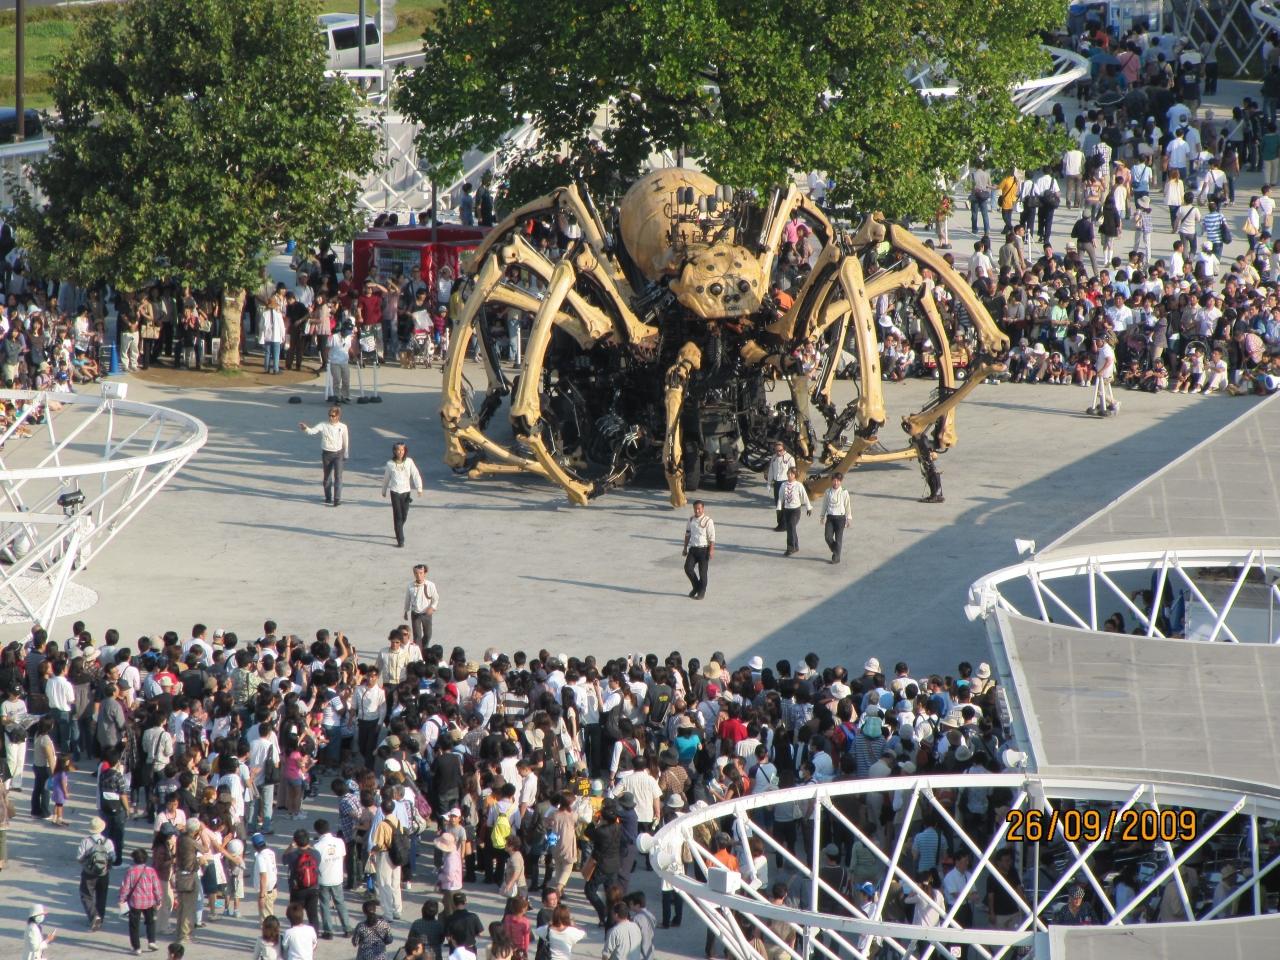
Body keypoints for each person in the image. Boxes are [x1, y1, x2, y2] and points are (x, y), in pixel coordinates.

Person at [299, 406, 350, 507]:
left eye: (333, 416)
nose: (330, 417)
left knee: (338, 477)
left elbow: (346, 440)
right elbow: (312, 431)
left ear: (338, 416)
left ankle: (337, 499)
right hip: (327, 454)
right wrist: (305, 429)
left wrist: (346, 453)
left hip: (338, 454)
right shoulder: (323, 425)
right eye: (329, 415)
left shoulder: (343, 427)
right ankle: (328, 497)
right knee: (327, 477)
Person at [118, 847, 163, 954]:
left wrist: (121, 899)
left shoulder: (131, 871)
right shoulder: (151, 871)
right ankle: (151, 941)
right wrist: (159, 900)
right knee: (150, 922)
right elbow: (156, 887)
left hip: (135, 902)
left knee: (134, 925)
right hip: (149, 901)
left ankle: (137, 947)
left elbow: (126, 887)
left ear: (134, 859)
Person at [313, 818, 352, 940]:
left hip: (323, 879)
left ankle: (328, 931)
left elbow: (315, 864)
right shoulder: (339, 842)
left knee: (324, 905)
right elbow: (343, 857)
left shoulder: (317, 846)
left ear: (317, 831)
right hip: (337, 878)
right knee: (340, 903)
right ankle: (347, 928)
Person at [381, 442, 425, 548]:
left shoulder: (409, 462)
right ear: (394, 451)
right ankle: (400, 540)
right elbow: (386, 478)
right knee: (398, 516)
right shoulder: (390, 464)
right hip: (395, 492)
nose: (400, 452)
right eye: (398, 450)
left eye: (402, 450)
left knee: (404, 515)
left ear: (405, 451)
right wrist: (384, 490)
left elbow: (415, 474)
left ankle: (398, 528)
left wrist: (419, 488)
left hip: (406, 492)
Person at [78, 814, 115, 930]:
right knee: (102, 896)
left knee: (86, 896)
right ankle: (100, 919)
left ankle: (94, 916)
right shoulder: (108, 842)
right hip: (104, 874)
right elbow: (113, 858)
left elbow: (79, 858)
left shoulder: (85, 841)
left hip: (88, 873)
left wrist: (86, 863)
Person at [775, 467, 812, 556]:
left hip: (796, 510)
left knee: (791, 525)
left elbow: (804, 496)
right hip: (786, 510)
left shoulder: (799, 485)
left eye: (791, 474)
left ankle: (790, 548)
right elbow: (780, 498)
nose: (789, 475)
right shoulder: (783, 485)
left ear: (795, 475)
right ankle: (796, 546)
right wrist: (779, 508)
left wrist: (808, 507)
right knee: (790, 528)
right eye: (788, 473)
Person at [681, 500, 715, 599]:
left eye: (699, 509)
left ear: (703, 509)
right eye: (695, 509)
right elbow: (688, 534)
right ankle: (696, 586)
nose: (697, 511)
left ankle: (702, 592)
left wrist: (711, 550)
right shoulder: (691, 520)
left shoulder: (708, 521)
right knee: (688, 568)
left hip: (704, 550)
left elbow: (712, 537)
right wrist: (685, 548)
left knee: (702, 573)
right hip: (693, 549)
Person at [818, 471, 851, 564]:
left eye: (838, 481)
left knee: (838, 539)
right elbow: (824, 504)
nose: (836, 483)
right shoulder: (828, 492)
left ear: (841, 481)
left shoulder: (844, 492)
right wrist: (822, 516)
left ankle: (836, 557)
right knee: (827, 537)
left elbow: (847, 505)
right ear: (832, 481)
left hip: (840, 518)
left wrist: (848, 518)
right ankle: (835, 550)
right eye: (834, 480)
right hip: (830, 518)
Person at [404, 564, 440, 649]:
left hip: (426, 614)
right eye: (416, 573)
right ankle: (418, 652)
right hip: (415, 614)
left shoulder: (430, 585)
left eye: (421, 573)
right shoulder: (410, 586)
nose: (418, 575)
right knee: (417, 636)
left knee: (428, 634)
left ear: (425, 573)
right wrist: (406, 611)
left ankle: (424, 648)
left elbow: (436, 598)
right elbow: (407, 599)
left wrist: (432, 607)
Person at [765, 442, 795, 530]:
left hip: (785, 483)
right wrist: (769, 483)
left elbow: (793, 472)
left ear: (784, 449)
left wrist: (792, 484)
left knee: (785, 505)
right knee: (778, 504)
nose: (778, 452)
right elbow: (771, 471)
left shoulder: (789, 458)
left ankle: (784, 524)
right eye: (776, 450)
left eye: (780, 450)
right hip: (777, 483)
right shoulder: (774, 458)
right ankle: (780, 523)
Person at [1088, 334, 1118, 417]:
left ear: (1103, 341)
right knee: (1101, 391)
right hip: (1103, 374)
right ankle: (1103, 406)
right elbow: (1095, 351)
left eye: (1098, 340)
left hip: (1106, 375)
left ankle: (1114, 403)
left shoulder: (1106, 350)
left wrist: (1101, 371)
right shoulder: (1103, 348)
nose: (1097, 342)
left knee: (1100, 392)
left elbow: (1109, 360)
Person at [327, 318, 355, 403]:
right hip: (334, 362)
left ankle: (345, 396)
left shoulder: (349, 337)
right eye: (347, 331)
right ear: (342, 329)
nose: (347, 334)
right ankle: (337, 397)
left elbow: (349, 348)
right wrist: (326, 360)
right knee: (337, 380)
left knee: (346, 380)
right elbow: (327, 348)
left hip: (345, 362)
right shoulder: (333, 337)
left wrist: (354, 356)